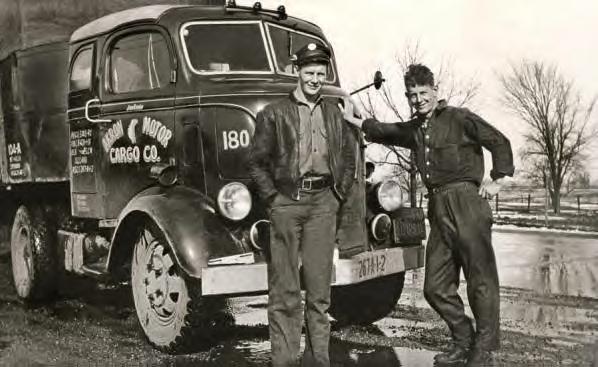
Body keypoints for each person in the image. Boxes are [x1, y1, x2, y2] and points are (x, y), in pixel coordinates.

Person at [342, 64, 514, 367]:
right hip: (438, 208)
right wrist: (355, 119)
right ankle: (463, 340)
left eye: (423, 93)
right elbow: (384, 130)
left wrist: (497, 179)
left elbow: (499, 141)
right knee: (434, 286)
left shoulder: (460, 118)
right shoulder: (416, 130)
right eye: (412, 95)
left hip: (468, 204)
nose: (418, 99)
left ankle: (483, 352)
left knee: (481, 281)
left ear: (435, 90)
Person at [248, 42, 356, 367]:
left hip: (324, 204)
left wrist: (337, 196)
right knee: (285, 291)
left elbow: (348, 160)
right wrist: (273, 198)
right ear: (298, 71)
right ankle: (284, 361)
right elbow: (255, 162)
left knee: (320, 293)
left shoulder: (335, 114)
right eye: (309, 72)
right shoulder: (274, 113)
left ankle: (317, 361)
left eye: (320, 74)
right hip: (287, 203)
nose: (314, 79)